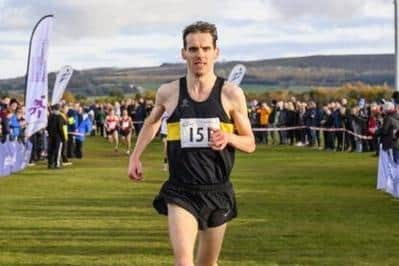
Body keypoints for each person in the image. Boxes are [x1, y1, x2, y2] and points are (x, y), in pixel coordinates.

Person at [128, 21, 255, 266]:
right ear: (183, 53)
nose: (200, 55)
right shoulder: (168, 92)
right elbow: (152, 123)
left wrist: (228, 137)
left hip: (216, 190)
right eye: (193, 49)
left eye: (206, 49)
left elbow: (250, 143)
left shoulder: (231, 94)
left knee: (207, 263)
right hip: (181, 190)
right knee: (184, 262)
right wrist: (135, 155)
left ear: (216, 52)